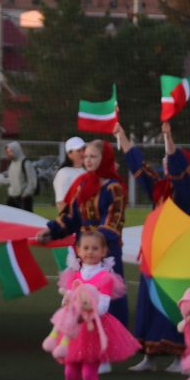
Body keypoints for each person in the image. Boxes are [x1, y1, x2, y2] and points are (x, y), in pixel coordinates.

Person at [43, 228, 141, 380]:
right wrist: (69, 302)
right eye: (85, 248)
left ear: (104, 251)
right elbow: (66, 299)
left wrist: (86, 306)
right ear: (78, 250)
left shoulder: (105, 277)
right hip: (74, 331)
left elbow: (104, 306)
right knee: (70, 372)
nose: (90, 252)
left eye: (95, 248)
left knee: (88, 374)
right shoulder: (74, 275)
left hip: (94, 330)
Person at [127, 121, 190, 371]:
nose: (167, 165)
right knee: (147, 302)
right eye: (166, 161)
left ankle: (180, 356)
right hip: (153, 254)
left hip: (175, 256)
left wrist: (169, 137)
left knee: (171, 305)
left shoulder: (188, 192)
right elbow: (139, 168)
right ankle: (148, 355)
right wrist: (123, 138)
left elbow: (178, 168)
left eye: (171, 161)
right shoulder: (160, 190)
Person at [40, 138, 130, 328]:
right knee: (82, 291)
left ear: (104, 158)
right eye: (86, 156)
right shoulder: (83, 184)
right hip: (84, 251)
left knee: (106, 294)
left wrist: (91, 243)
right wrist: (52, 230)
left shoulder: (114, 188)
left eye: (93, 156)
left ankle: (112, 335)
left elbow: (113, 222)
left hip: (105, 251)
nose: (88, 160)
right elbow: (72, 215)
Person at [2, 141, 37, 211]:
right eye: (7, 152)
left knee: (25, 220)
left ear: (16, 151)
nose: (8, 154)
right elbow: (12, 179)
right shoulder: (12, 164)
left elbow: (32, 182)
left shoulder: (26, 163)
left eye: (10, 151)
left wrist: (25, 194)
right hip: (12, 197)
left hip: (23, 199)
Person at [53, 136, 87, 205]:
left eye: (84, 149)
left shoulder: (85, 172)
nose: (83, 153)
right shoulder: (63, 173)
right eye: (78, 151)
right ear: (69, 154)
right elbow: (61, 202)